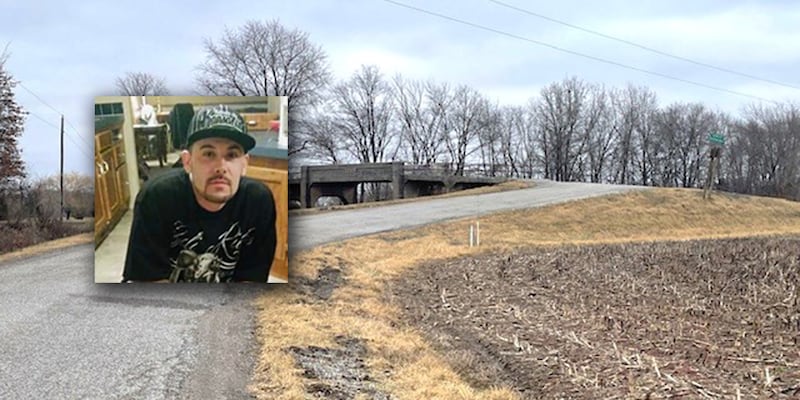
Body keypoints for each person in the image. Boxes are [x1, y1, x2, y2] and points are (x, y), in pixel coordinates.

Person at [122, 105, 277, 282]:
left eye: (232, 154)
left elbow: (252, 281)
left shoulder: (258, 202)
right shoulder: (157, 198)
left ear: (244, 164)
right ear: (187, 161)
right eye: (209, 154)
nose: (221, 167)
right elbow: (147, 282)